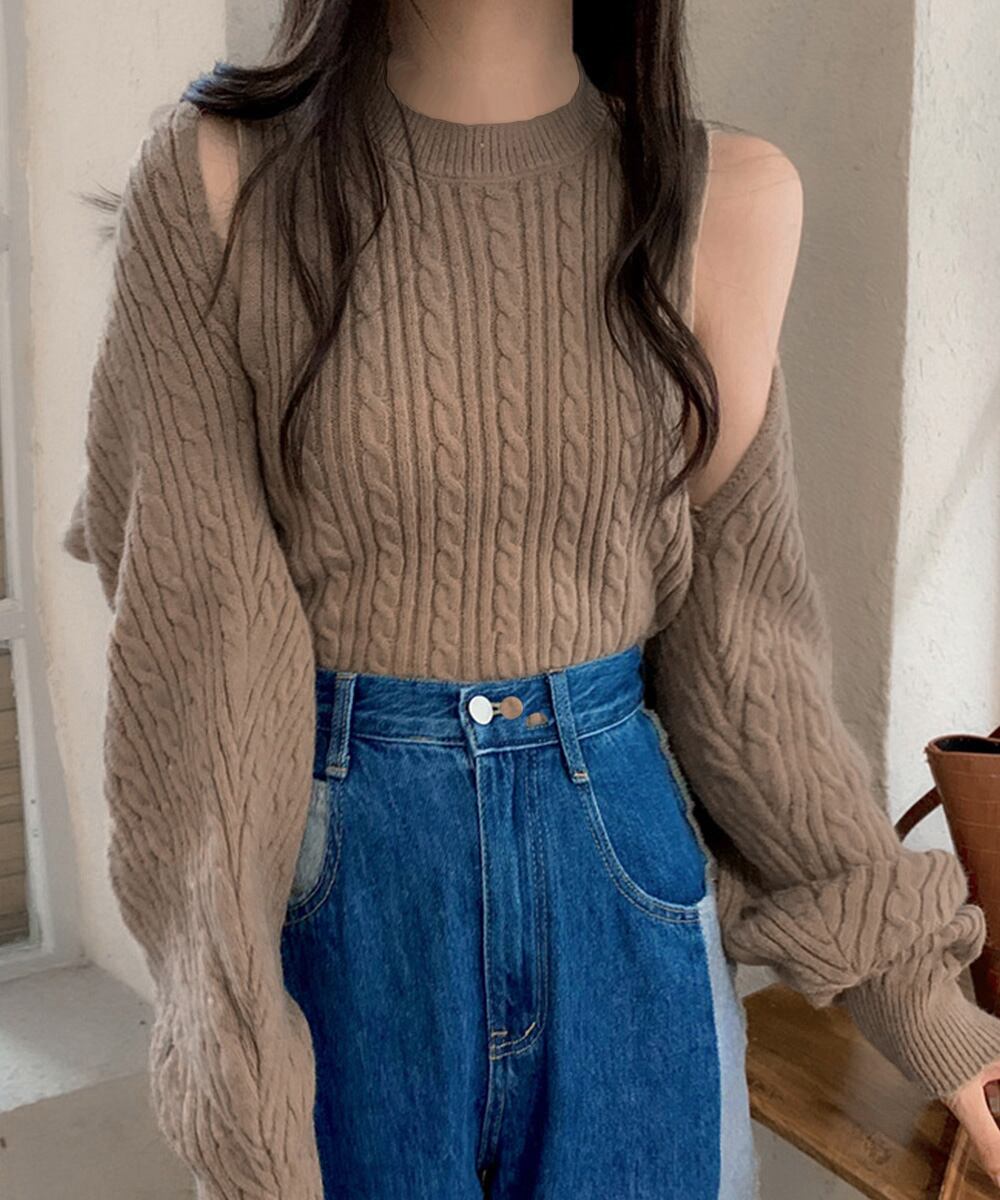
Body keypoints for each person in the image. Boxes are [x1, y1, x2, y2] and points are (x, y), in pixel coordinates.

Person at [63, 2, 1000, 1197]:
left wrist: (927, 1007)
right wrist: (234, 1067)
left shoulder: (722, 196)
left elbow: (744, 666)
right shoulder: (217, 179)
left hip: (623, 882)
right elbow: (203, 667)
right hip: (347, 896)